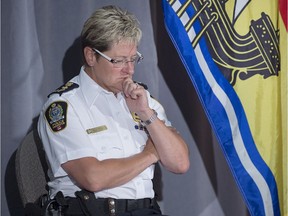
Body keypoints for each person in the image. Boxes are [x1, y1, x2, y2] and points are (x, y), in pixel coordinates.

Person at [37, 5, 190, 216]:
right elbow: (93, 178)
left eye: (133, 59)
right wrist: (151, 153)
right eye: (118, 61)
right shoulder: (64, 106)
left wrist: (146, 114)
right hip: (91, 211)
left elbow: (180, 163)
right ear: (91, 56)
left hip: (146, 210)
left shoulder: (143, 101)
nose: (130, 70)